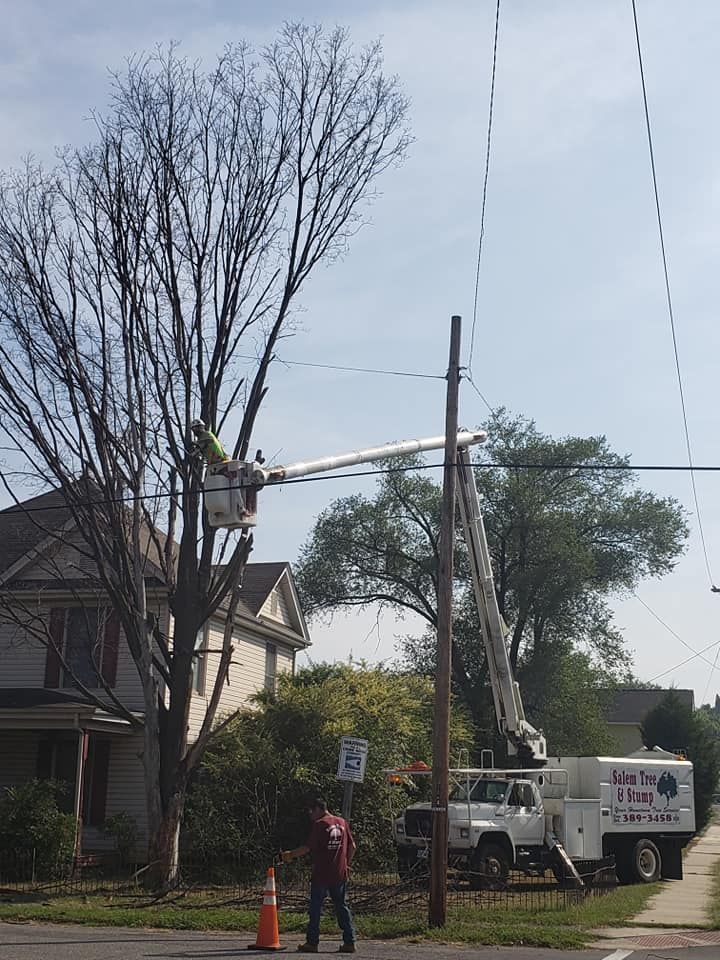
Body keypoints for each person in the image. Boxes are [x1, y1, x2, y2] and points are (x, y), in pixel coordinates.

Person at [282, 797, 357, 954]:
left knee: (315, 907)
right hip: (339, 873)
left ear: (318, 809)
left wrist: (290, 854)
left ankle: (312, 942)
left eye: (311, 811)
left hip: (322, 874)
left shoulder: (320, 824)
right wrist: (346, 865)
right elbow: (353, 846)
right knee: (342, 906)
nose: (310, 815)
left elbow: (307, 848)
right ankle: (350, 942)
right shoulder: (342, 822)